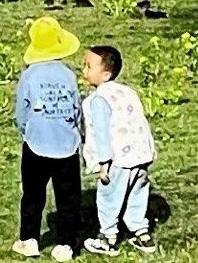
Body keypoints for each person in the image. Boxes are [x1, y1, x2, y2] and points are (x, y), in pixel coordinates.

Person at [13, 15, 85, 258]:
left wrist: (26, 131)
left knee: (33, 194)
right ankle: (67, 244)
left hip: (36, 144)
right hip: (67, 144)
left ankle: (29, 239)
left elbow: (21, 112)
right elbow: (76, 108)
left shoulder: (29, 76)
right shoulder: (68, 75)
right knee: (69, 197)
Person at [80, 42, 157, 253]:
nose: (83, 71)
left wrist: (104, 162)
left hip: (118, 160)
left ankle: (108, 237)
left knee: (109, 198)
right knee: (136, 194)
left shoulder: (98, 100)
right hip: (140, 154)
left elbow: (102, 134)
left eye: (88, 66)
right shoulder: (126, 92)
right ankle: (142, 233)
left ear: (105, 75)